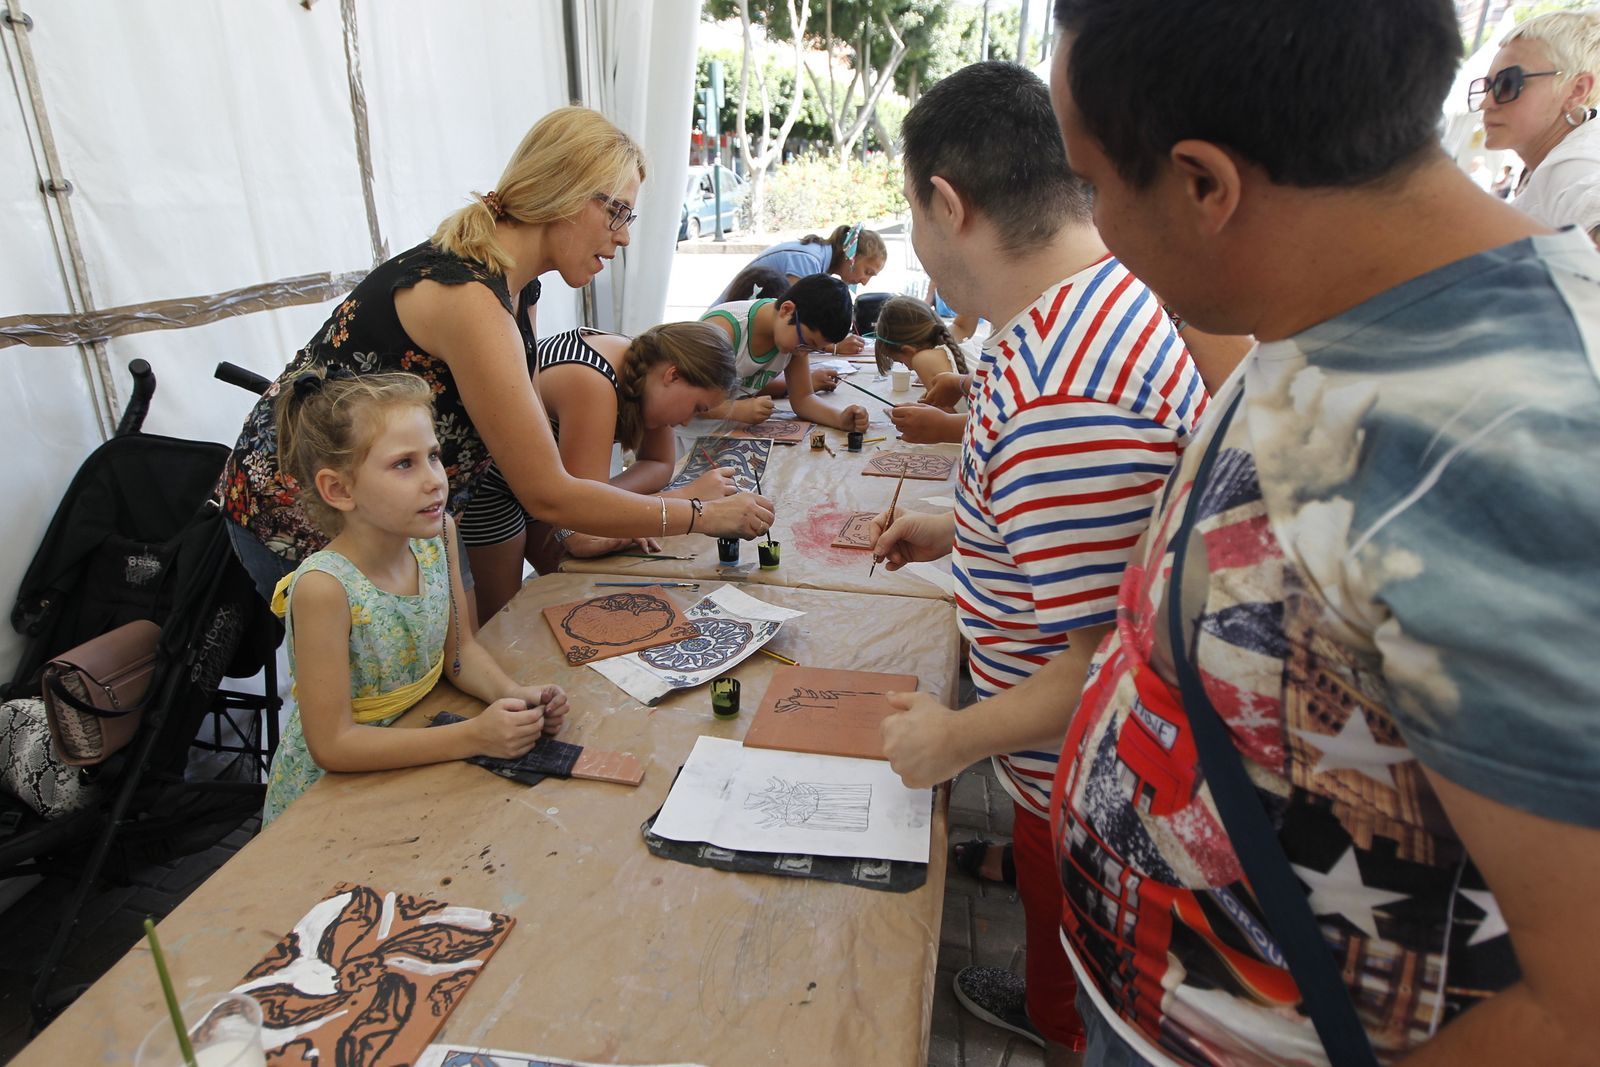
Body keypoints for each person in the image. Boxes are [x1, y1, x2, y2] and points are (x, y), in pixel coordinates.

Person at [1047, 0, 1600, 1064]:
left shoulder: (1519, 445)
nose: (1095, 226)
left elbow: (1582, 1008)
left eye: (1091, 183)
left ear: (1205, 183)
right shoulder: (1337, 294)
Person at [870, 61, 1207, 1063]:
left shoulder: (1066, 392)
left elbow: (1107, 655)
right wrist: (963, 527)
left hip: (1071, 771)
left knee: (1075, 974)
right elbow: (1065, 528)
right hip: (1057, 760)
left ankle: (1055, 1024)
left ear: (945, 202)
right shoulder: (1082, 305)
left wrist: (953, 736)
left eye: (913, 213)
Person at [218, 106, 773, 603]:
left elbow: (526, 453)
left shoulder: (517, 288)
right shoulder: (469, 300)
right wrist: (699, 514)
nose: (624, 237)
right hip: (303, 512)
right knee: (383, 696)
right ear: (568, 194)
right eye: (619, 213)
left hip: (398, 511)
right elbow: (547, 493)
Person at [262, 368, 567, 826]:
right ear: (339, 489)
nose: (435, 480)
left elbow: (459, 654)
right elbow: (333, 745)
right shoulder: (325, 588)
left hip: (419, 752)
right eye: (404, 463)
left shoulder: (438, 536)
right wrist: (474, 736)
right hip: (335, 798)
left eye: (433, 456)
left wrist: (515, 698)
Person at [461, 321, 739, 619]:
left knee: (573, 593)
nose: (687, 422)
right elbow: (581, 533)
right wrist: (682, 500)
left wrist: (617, 509)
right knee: (504, 618)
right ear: (673, 375)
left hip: (542, 480)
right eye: (697, 407)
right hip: (485, 482)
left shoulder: (648, 373)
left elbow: (658, 465)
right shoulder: (591, 380)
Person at [1476, 10, 1600, 240]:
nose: (1486, 102)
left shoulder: (1577, 169)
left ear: (1576, 90)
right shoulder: (1555, 166)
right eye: (1487, 86)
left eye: (1508, 83)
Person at [700, 274, 868, 433]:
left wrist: (839, 418)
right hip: (685, 438)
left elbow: (803, 398)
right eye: (807, 344)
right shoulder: (723, 330)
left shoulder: (792, 337)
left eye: (813, 349)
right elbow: (682, 399)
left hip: (726, 431)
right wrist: (735, 409)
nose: (803, 354)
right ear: (787, 310)